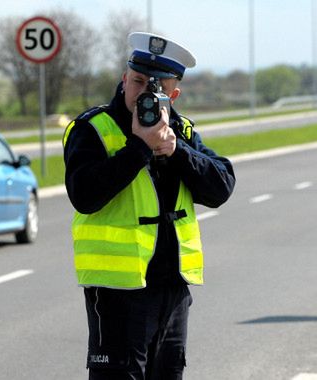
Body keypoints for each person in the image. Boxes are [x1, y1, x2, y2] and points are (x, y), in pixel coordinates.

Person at [63, 32, 236, 380]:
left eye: (155, 87)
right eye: (137, 81)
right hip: (118, 292)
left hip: (172, 289)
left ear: (172, 94)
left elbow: (221, 187)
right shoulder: (93, 128)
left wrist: (176, 151)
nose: (142, 93)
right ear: (124, 79)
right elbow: (84, 195)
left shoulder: (180, 131)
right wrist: (140, 149)